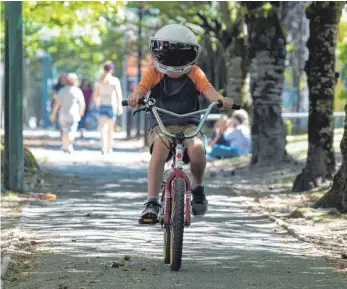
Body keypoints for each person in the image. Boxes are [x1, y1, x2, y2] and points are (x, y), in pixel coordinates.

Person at [127, 24, 234, 223]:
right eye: (169, 57)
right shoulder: (153, 73)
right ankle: (151, 202)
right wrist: (136, 96)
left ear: (190, 57)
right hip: (162, 124)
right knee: (159, 148)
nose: (175, 63)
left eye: (180, 57)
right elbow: (141, 89)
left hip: (190, 124)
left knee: (198, 150)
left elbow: (209, 90)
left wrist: (220, 100)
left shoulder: (195, 73)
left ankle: (198, 188)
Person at [50, 73, 86, 153]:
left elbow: (57, 104)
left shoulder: (62, 90)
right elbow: (82, 103)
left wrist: (53, 114)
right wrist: (81, 112)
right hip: (74, 113)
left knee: (64, 130)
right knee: (72, 130)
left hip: (63, 113)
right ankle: (69, 145)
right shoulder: (77, 91)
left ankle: (65, 146)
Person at [93, 61, 123, 154]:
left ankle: (103, 147)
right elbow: (119, 95)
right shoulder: (115, 81)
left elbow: (95, 95)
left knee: (102, 128)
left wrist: (97, 104)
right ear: (112, 70)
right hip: (112, 106)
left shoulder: (99, 81)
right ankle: (109, 148)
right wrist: (120, 106)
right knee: (110, 128)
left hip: (102, 105)